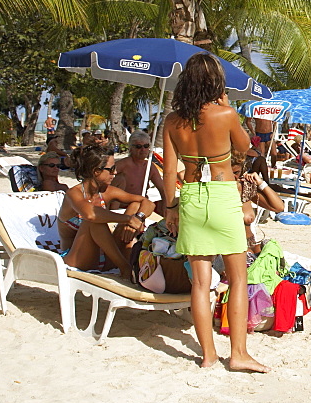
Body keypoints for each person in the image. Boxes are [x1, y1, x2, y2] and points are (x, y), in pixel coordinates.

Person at [161, 52, 267, 373]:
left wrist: (170, 208)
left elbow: (168, 172)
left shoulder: (171, 121)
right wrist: (224, 105)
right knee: (238, 278)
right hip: (222, 194)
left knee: (200, 283)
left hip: (190, 196)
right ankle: (237, 354)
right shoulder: (226, 114)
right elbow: (244, 146)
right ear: (216, 83)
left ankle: (207, 356)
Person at [56, 144, 153, 274]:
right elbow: (90, 214)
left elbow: (147, 202)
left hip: (107, 256)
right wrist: (128, 219)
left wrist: (138, 217)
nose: (115, 173)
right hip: (78, 260)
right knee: (93, 221)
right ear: (96, 171)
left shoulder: (106, 192)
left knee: (135, 205)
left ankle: (126, 263)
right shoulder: (73, 194)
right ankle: (125, 267)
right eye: (112, 169)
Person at [231, 150, 284, 254]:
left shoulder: (245, 188)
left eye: (236, 173)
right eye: (230, 173)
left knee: (272, 248)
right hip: (232, 251)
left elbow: (279, 207)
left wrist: (261, 183)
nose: (234, 177)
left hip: (250, 246)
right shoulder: (216, 193)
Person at [111, 130, 164, 211]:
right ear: (131, 148)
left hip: (142, 205)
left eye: (146, 146)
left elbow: (162, 189)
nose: (143, 149)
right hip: (122, 208)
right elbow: (104, 179)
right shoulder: (123, 164)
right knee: (120, 179)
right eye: (138, 146)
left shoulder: (150, 166)